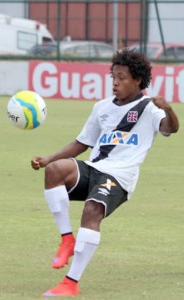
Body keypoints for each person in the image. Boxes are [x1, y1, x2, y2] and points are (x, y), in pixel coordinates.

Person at [31, 48, 179, 297]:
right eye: (114, 77)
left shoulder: (149, 108)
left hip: (119, 177)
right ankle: (67, 239)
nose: (115, 83)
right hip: (94, 168)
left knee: (92, 209)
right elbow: (81, 143)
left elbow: (170, 128)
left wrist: (169, 109)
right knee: (56, 170)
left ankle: (70, 283)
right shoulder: (101, 107)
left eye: (122, 78)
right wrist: (48, 159)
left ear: (138, 81)